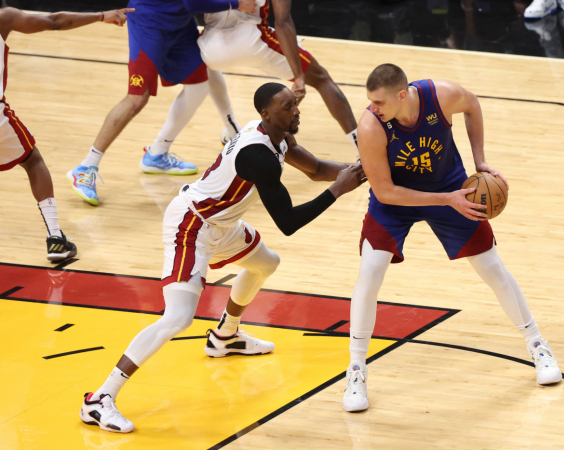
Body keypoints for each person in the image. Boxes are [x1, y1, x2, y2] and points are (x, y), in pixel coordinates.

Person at [80, 82, 365, 433]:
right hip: (192, 226)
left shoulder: (276, 135)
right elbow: (289, 222)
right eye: (288, 106)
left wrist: (361, 170)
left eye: (295, 104)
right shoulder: (258, 156)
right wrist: (339, 190)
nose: (296, 110)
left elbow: (317, 168)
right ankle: (100, 399)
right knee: (178, 318)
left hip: (222, 222)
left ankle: (226, 336)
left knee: (266, 263)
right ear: (266, 114)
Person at [342, 64, 562, 413]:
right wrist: (447, 200)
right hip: (399, 200)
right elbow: (384, 192)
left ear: (402, 95)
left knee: (492, 268)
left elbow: (473, 104)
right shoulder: (371, 126)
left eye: (379, 101)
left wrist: (481, 161)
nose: (372, 107)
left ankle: (537, 344)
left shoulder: (440, 95)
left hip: (450, 186)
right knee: (370, 272)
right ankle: (356, 369)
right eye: (370, 101)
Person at [66, 0, 257, 207]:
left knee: (198, 84)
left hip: (180, 22)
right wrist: (235, 3)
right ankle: (86, 167)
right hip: (151, 23)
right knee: (137, 98)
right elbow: (193, 3)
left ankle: (157, 154)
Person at [0, 7, 132, 260]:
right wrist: (102, 16)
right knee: (32, 160)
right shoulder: (3, 18)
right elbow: (55, 21)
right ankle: (55, 237)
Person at [194, 0, 360, 156]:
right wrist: (298, 76)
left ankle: (230, 130)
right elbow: (283, 22)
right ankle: (361, 148)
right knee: (322, 79)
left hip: (209, 46)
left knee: (201, 75)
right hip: (253, 40)